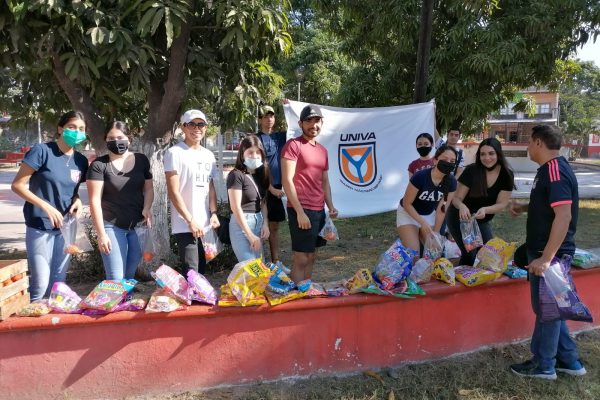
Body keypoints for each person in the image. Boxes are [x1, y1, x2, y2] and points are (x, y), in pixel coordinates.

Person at [509, 125, 586, 380]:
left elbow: (563, 215)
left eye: (529, 143)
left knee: (547, 311)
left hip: (548, 253)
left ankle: (543, 365)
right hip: (543, 251)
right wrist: (524, 207)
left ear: (539, 142)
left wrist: (546, 258)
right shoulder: (549, 170)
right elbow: (550, 205)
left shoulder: (554, 170)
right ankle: (570, 361)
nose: (527, 148)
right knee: (553, 307)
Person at [11, 111, 88, 301]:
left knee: (58, 284)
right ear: (60, 129)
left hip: (66, 228)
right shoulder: (42, 151)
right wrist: (46, 207)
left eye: (81, 129)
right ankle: (33, 326)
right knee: (41, 283)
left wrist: (78, 201)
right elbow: (17, 185)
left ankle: (52, 325)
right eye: (71, 127)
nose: (76, 132)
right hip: (40, 225)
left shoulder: (81, 160)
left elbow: (72, 190)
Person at [87, 121, 154, 280]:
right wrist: (101, 234)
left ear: (129, 139)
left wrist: (147, 207)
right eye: (111, 138)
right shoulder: (99, 165)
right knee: (116, 279)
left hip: (137, 228)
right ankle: (117, 302)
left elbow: (149, 189)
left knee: (129, 277)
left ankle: (126, 304)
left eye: (120, 137)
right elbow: (94, 201)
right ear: (106, 140)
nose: (116, 141)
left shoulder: (141, 160)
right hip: (111, 227)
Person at [281, 104, 338, 284]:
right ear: (300, 123)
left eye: (317, 121)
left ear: (322, 123)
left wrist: (331, 206)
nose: (313, 125)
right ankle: (295, 300)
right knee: (301, 258)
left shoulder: (322, 150)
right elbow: (287, 181)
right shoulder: (293, 145)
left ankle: (305, 291)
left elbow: (325, 182)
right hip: (301, 209)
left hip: (318, 211)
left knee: (312, 256)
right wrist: (299, 212)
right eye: (309, 121)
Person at [164, 109, 219, 275]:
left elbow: (210, 187)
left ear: (206, 128)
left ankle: (200, 300)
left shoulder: (209, 155)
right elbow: (173, 192)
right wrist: (190, 220)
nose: (197, 128)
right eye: (191, 124)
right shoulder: (174, 153)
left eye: (201, 124)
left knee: (202, 271)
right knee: (192, 272)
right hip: (185, 224)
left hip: (206, 224)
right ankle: (194, 301)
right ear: (183, 127)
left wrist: (214, 213)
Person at [446, 138, 515, 265]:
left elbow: (502, 204)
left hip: (481, 219)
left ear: (498, 154)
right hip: (459, 218)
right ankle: (463, 281)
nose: (487, 158)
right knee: (470, 253)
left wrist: (485, 210)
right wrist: (461, 206)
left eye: (491, 153)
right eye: (482, 154)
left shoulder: (506, 174)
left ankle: (480, 282)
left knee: (489, 254)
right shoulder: (472, 170)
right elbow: (456, 198)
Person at [396, 145, 457, 255]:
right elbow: (407, 203)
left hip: (429, 215)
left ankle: (416, 237)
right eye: (444, 159)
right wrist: (422, 223)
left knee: (434, 253)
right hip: (408, 213)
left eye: (452, 161)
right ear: (435, 160)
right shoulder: (420, 176)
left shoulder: (452, 182)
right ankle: (410, 236)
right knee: (414, 255)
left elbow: (442, 208)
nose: (448, 163)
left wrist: (436, 233)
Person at [227, 135, 270, 262]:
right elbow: (235, 207)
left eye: (258, 152)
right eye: (250, 152)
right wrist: (250, 235)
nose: (255, 156)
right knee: (250, 267)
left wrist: (265, 224)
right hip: (242, 225)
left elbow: (263, 203)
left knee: (259, 269)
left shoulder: (261, 174)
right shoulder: (236, 175)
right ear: (242, 154)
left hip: (258, 221)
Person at [256, 105, 288, 269]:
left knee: (274, 226)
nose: (269, 118)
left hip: (277, 186)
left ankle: (276, 262)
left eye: (271, 115)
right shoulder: (255, 139)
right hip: (262, 188)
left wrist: (288, 106)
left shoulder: (281, 137)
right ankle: (259, 263)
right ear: (260, 119)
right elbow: (257, 168)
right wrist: (270, 188)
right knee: (260, 226)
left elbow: (297, 125)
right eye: (265, 116)